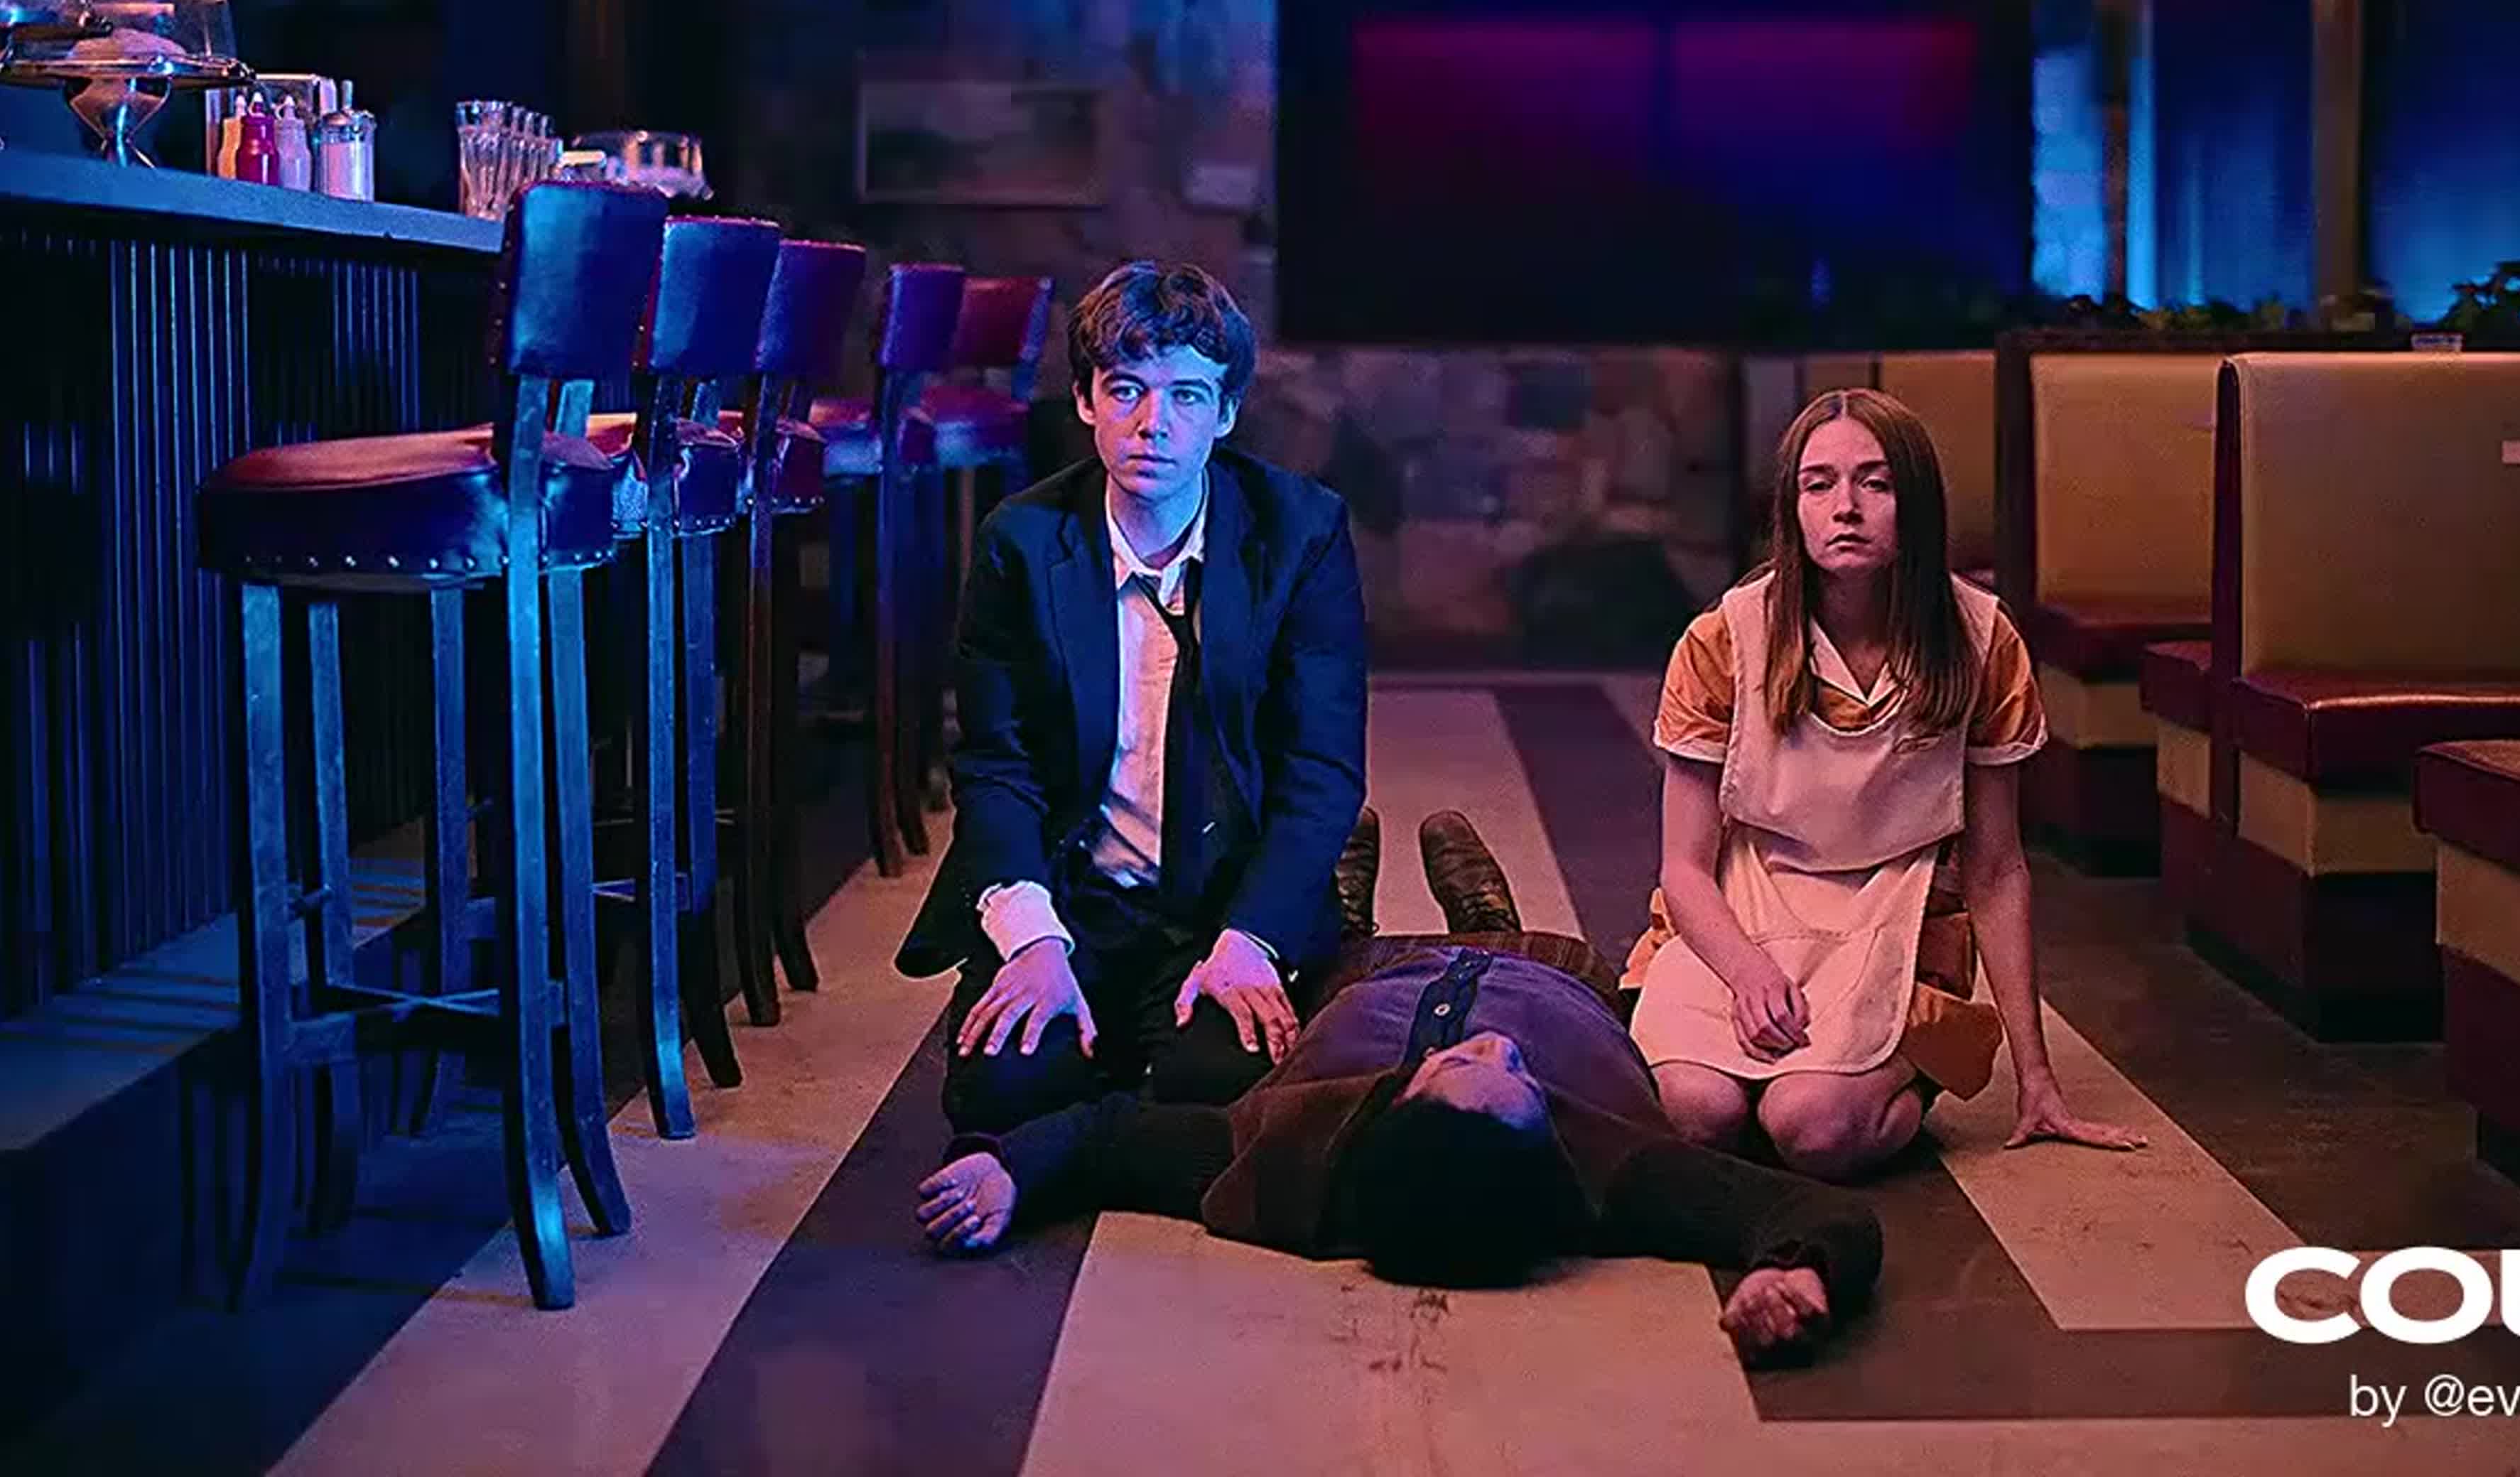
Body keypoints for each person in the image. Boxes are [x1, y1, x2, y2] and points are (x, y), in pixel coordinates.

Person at [916, 811, 1884, 1368]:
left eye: (1463, 1069)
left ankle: (1346, 915)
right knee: (1523, 946)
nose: (1496, 1049)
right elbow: (1807, 1211)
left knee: (1314, 965)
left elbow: (1108, 1136)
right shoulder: (1617, 1176)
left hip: (1367, 978)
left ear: (1396, 1108)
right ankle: (1486, 915)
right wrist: (1800, 1272)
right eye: (1522, 1078)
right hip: (1546, 973)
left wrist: (1007, 1168)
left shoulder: (1279, 1156)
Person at [896, 261, 1369, 1136]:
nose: (1155, 423)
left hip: (1222, 904)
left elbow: (1322, 768)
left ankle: (1127, 1082)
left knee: (1222, 1092)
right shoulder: (1021, 542)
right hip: (1076, 894)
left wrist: (1252, 939)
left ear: (1225, 413)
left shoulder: (1300, 532)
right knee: (1001, 1094)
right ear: (1085, 401)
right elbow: (995, 765)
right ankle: (1097, 1069)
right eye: (1126, 390)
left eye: (1187, 396)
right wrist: (1033, 941)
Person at [1623, 389, 2146, 1179]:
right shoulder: (1724, 638)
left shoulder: (1981, 639)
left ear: (1917, 503)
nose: (1846, 507)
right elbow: (1685, 867)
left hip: (1896, 903)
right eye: (1819, 484)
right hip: (1748, 898)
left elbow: (1996, 870)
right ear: (1792, 509)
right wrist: (1747, 971)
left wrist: (2037, 1078)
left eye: (1876, 483)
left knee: (1812, 1128)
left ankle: (1894, 1075)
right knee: (1696, 1113)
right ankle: (1780, 1080)